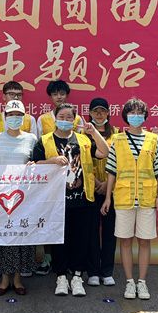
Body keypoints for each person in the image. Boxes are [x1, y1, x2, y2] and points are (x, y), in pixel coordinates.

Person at [32, 103, 110, 297]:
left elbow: (104, 152)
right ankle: (60, 277)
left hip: (83, 199)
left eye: (69, 117)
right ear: (55, 118)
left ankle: (77, 277)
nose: (65, 120)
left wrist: (94, 133)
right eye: (62, 116)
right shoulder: (44, 140)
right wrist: (51, 161)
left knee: (81, 240)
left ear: (75, 120)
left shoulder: (83, 140)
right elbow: (34, 165)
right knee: (59, 240)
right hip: (56, 201)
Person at [100, 98, 158, 300]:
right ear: (125, 116)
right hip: (123, 197)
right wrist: (107, 198)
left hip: (147, 198)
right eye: (132, 113)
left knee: (145, 241)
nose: (136, 116)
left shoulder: (153, 139)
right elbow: (111, 170)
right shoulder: (118, 139)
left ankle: (142, 282)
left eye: (139, 113)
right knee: (125, 241)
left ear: (145, 116)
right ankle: (130, 282)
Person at [0, 81, 38, 280]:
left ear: (24, 117)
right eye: (11, 115)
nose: (15, 118)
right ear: (5, 117)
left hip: (24, 193)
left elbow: (37, 163)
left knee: (22, 231)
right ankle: (4, 277)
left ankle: (19, 277)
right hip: (1, 193)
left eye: (18, 115)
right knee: (2, 233)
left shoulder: (31, 139)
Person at [34, 79, 78, 276]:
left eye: (62, 93)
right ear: (50, 97)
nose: (59, 97)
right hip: (48, 177)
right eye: (55, 94)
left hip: (71, 177)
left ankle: (68, 261)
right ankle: (47, 258)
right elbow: (38, 145)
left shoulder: (76, 118)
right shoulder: (42, 119)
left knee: (69, 223)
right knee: (48, 219)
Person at [86, 98, 119, 287]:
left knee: (109, 232)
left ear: (108, 113)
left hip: (111, 189)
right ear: (90, 113)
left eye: (103, 111)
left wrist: (107, 183)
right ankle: (92, 271)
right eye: (95, 111)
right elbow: (81, 162)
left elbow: (121, 162)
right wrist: (95, 182)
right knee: (91, 232)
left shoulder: (117, 134)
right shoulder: (83, 134)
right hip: (90, 189)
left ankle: (107, 271)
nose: (99, 114)